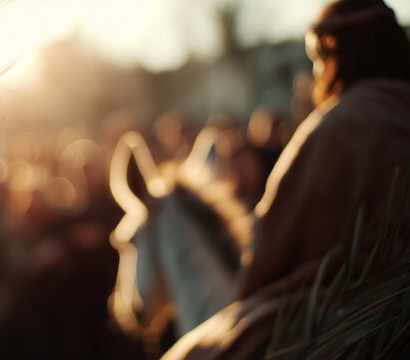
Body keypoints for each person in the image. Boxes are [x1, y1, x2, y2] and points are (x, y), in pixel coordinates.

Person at [163, 1, 410, 358]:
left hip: (353, 307)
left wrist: (249, 286)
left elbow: (272, 241)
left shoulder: (339, 125)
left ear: (336, 53)